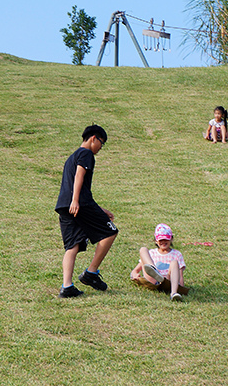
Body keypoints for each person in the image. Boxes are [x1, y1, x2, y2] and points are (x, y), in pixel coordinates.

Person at [55, 125, 117, 298]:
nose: (100, 148)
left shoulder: (71, 157)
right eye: (101, 144)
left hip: (65, 205)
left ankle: (67, 287)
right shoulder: (86, 154)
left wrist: (100, 209)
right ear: (93, 138)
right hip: (79, 203)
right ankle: (91, 273)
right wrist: (76, 200)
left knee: (72, 245)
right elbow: (79, 176)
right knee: (110, 232)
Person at [130, 223, 188, 301]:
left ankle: (173, 293)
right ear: (156, 241)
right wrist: (135, 275)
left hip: (167, 281)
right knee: (143, 249)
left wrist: (181, 287)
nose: (163, 242)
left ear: (171, 239)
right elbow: (135, 270)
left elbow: (180, 275)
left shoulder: (177, 254)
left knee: (174, 262)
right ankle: (153, 270)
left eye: (166, 239)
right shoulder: (152, 253)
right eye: (161, 240)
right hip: (152, 280)